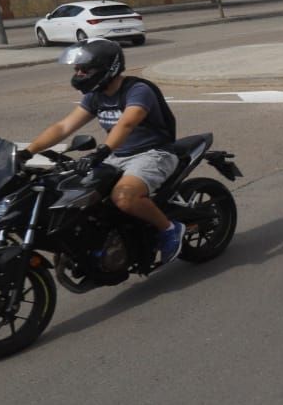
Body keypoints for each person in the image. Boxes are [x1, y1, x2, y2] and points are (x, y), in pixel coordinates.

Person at [22, 39, 185, 265]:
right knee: (77, 196)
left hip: (152, 153)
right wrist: (27, 152)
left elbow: (127, 124)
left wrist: (101, 152)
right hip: (115, 155)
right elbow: (64, 127)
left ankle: (169, 228)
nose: (79, 74)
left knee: (124, 197)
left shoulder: (137, 90)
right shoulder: (95, 95)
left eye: (84, 69)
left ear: (108, 68)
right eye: (76, 69)